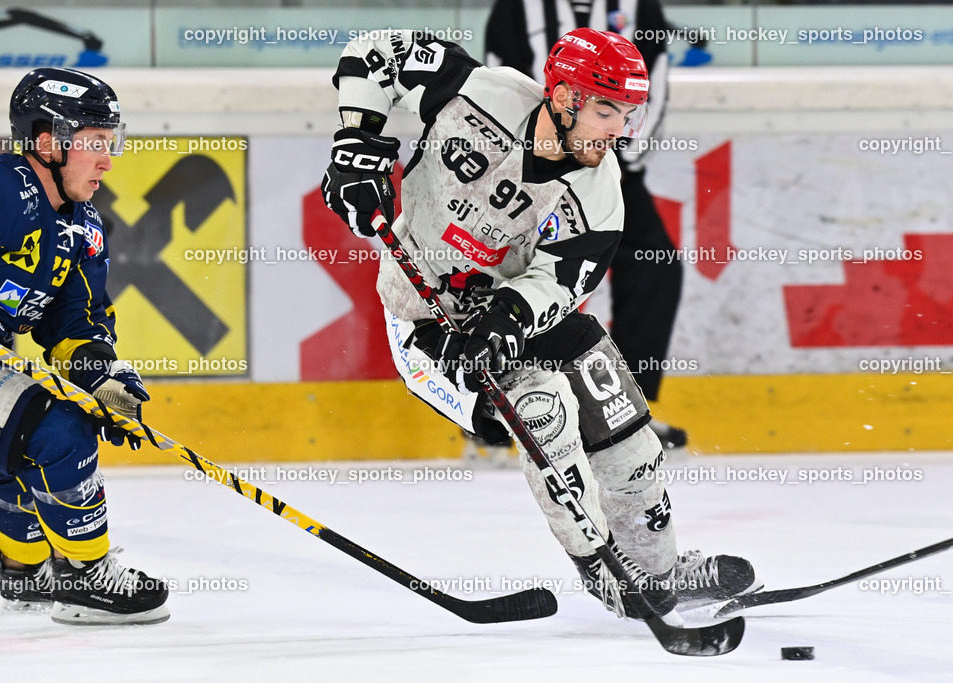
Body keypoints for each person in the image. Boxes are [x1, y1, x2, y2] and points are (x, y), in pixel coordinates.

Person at [321, 28, 759, 619]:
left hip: (516, 314)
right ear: (565, 97)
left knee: (625, 428)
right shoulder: (478, 93)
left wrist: (509, 314)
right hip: (426, 323)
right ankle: (601, 567)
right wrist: (357, 142)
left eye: (628, 114)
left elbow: (565, 279)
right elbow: (376, 50)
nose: (618, 130)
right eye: (606, 110)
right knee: (543, 405)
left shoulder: (601, 190)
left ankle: (658, 569)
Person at [0, 67, 168, 625]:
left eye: (112, 142)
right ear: (47, 142)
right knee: (57, 429)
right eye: (95, 144)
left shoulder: (82, 227)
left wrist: (103, 379)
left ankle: (24, 569)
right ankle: (84, 574)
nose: (108, 160)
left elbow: (74, 324)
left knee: (11, 448)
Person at [485, 0, 687, 450]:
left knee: (656, 267)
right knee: (505, 271)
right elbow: (498, 77)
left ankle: (625, 411)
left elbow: (654, 80)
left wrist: (611, 156)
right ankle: (492, 411)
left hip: (604, 168)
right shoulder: (517, 7)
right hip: (526, 166)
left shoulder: (640, 7)